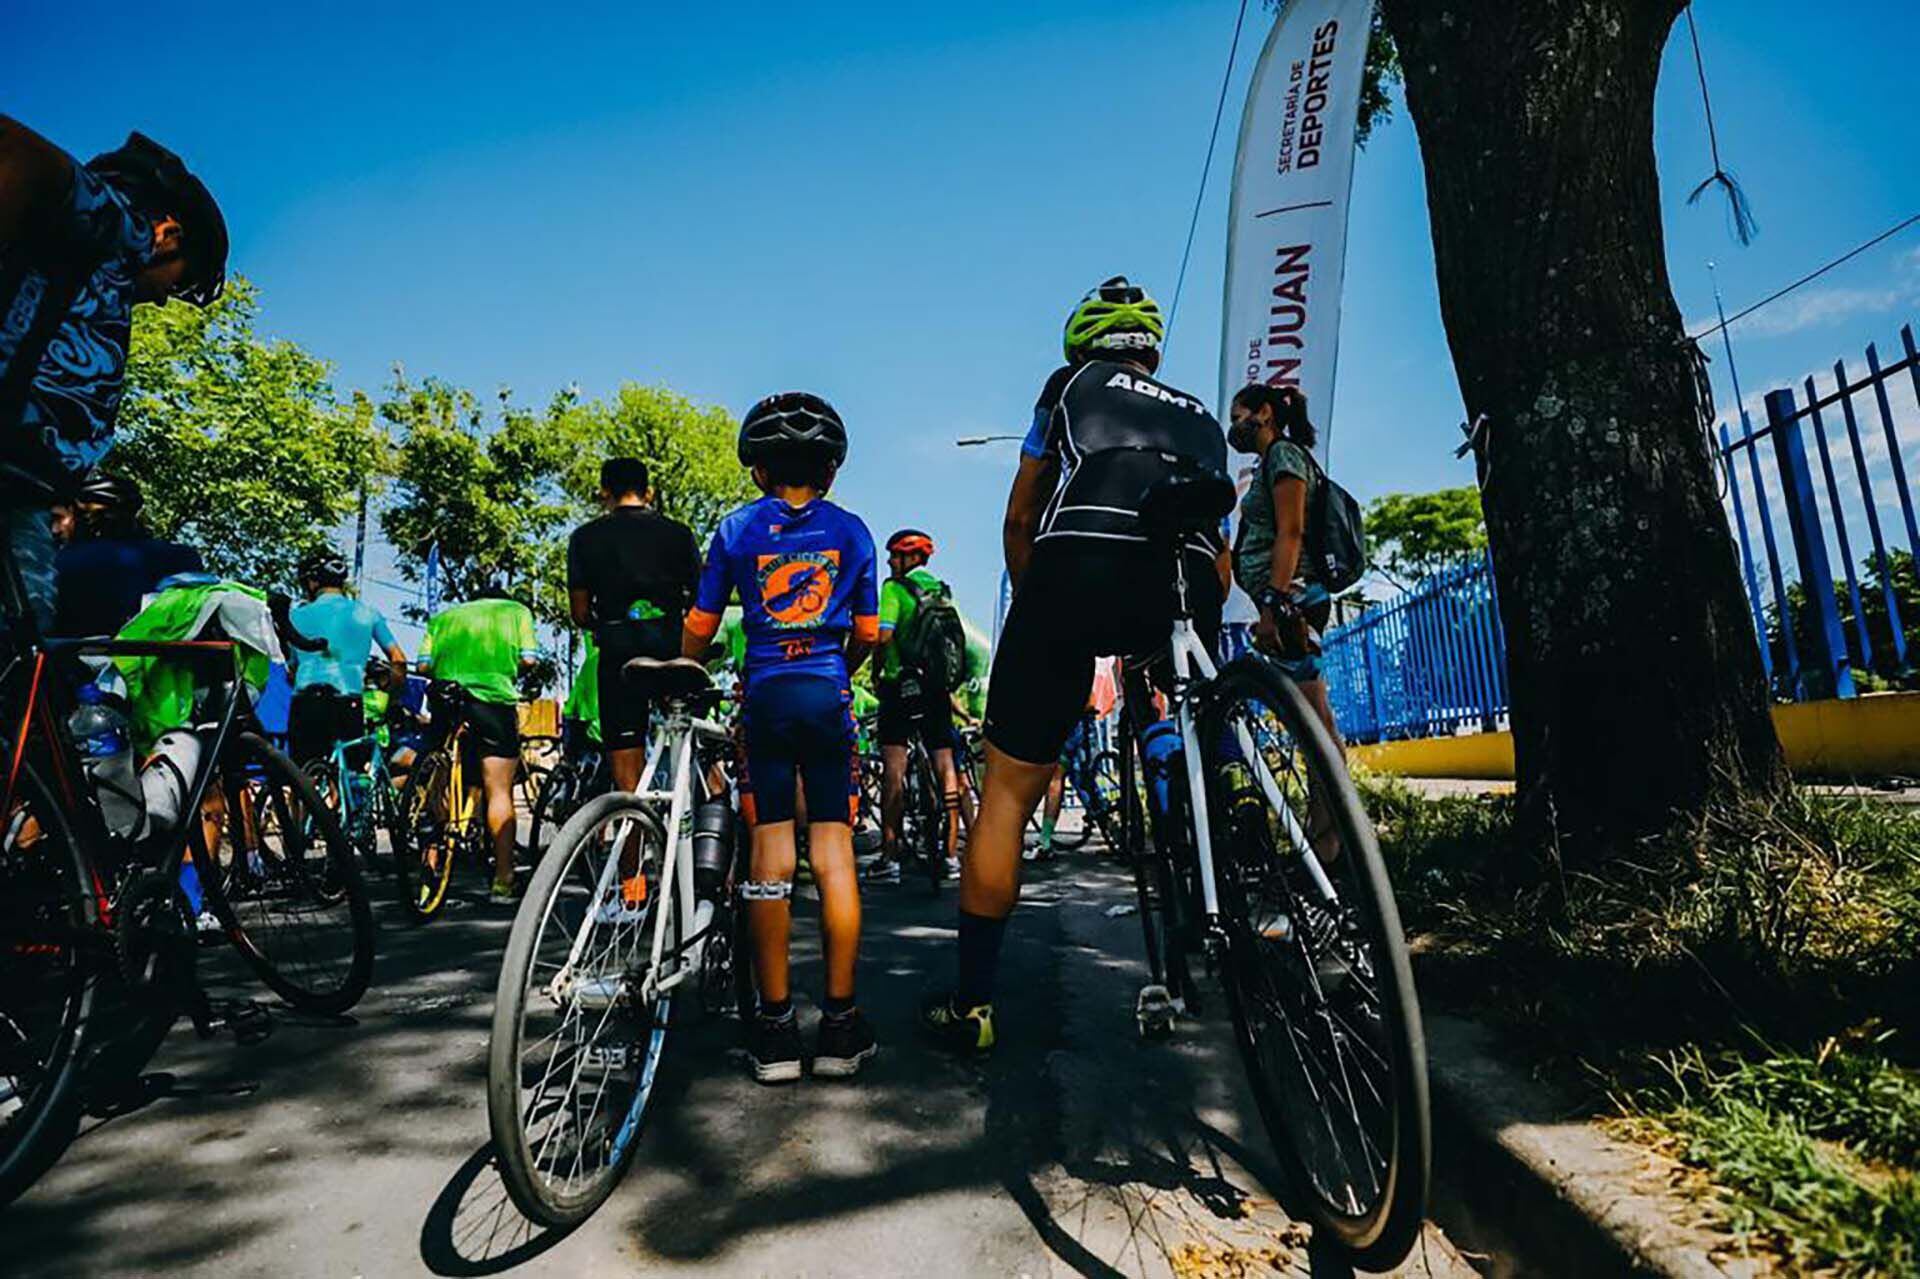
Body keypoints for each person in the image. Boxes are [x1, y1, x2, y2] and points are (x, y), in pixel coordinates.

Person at [922, 276, 1230, 1054]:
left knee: (1006, 792)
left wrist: (1039, 611)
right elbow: (1224, 566)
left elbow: (1021, 517)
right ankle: (1214, 806)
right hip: (1184, 570)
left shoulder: (1067, 387)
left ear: (1085, 345)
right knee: (1171, 704)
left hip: (1078, 559)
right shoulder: (1198, 413)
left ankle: (973, 1004)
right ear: (1152, 351)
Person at [682, 391, 880, 1084]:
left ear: (759, 469)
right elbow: (865, 634)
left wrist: (686, 669)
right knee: (832, 851)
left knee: (769, 854)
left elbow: (702, 629)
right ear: (828, 469)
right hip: (826, 695)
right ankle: (840, 1024)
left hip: (763, 699)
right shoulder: (854, 533)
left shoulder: (735, 530)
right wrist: (833, 672)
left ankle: (772, 1030)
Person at [2, 120, 226, 637]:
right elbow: (16, 150)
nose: (169, 296)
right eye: (184, 279)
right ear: (169, 234)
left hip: (21, 494)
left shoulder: (99, 256)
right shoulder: (115, 220)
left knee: (21, 656)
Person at [566, 456, 701, 794]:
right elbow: (702, 603)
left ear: (604, 493)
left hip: (619, 655)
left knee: (627, 774)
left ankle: (631, 840)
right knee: (686, 736)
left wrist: (606, 623)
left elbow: (580, 612)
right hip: (671, 651)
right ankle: (685, 818)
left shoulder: (585, 538)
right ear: (649, 493)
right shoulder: (679, 534)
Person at [420, 588, 539, 905]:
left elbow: (422, 666)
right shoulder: (516, 611)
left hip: (446, 702)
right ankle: (503, 880)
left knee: (440, 782)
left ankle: (429, 872)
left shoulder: (443, 618)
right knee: (498, 790)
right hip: (492, 704)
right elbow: (529, 658)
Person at [867, 529, 962, 885]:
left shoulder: (894, 589)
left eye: (894, 556)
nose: (890, 563)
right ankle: (951, 855)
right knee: (945, 760)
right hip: (936, 688)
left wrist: (878, 666)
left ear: (909, 559)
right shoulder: (941, 590)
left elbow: (884, 634)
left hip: (899, 684)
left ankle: (889, 857)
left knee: (894, 763)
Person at [286, 548, 407, 766]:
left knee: (302, 774)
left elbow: (291, 671)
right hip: (348, 700)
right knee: (347, 771)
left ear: (312, 583)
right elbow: (398, 659)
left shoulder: (294, 617)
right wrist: (392, 701)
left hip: (305, 700)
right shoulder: (367, 613)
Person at [52, 470, 204, 636]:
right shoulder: (182, 557)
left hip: (67, 657)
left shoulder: (59, 563)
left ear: (84, 515)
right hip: (155, 659)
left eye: (58, 518)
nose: (55, 529)